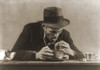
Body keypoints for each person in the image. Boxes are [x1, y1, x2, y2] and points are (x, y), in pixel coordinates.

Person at [11, 7, 84, 61]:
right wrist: (36, 55)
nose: (56, 35)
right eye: (52, 32)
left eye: (59, 31)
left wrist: (72, 52)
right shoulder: (30, 30)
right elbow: (13, 54)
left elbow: (81, 55)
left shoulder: (65, 34)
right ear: (43, 27)